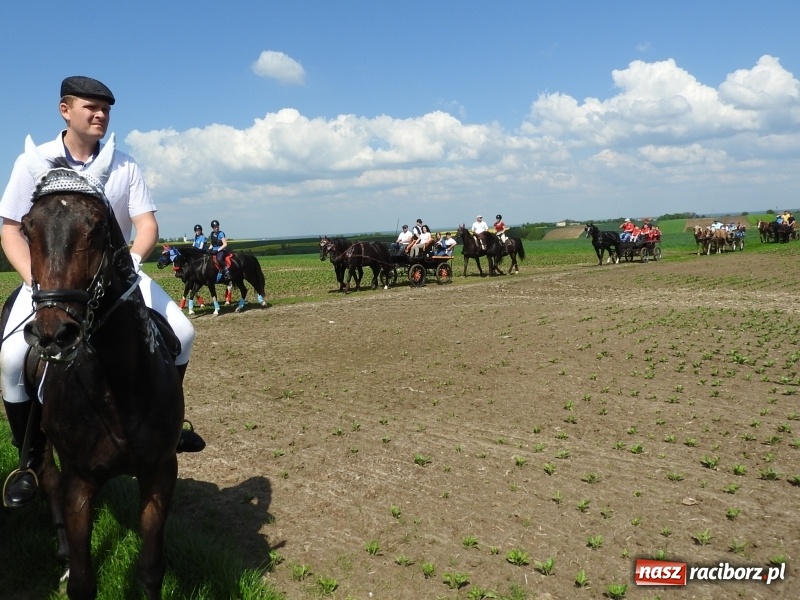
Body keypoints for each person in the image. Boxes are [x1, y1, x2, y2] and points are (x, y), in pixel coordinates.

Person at [0, 76, 205, 507]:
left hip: (117, 275)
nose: (100, 115)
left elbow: (146, 224)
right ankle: (31, 458)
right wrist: (36, 280)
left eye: (106, 109)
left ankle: (168, 427)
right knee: (12, 358)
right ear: (65, 110)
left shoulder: (124, 165)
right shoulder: (33, 163)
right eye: (90, 107)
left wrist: (133, 261)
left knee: (184, 333)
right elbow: (11, 229)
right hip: (50, 284)